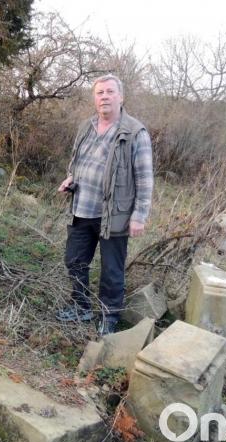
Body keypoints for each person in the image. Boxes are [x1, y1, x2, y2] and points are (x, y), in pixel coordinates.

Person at [56, 74, 153, 334]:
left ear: (121, 97)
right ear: (94, 98)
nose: (105, 97)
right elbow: (76, 161)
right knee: (74, 261)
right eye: (100, 93)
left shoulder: (135, 132)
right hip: (81, 208)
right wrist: (70, 178)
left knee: (111, 270)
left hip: (114, 215)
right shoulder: (86, 127)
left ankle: (109, 317)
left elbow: (145, 178)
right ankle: (81, 307)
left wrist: (139, 215)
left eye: (110, 92)